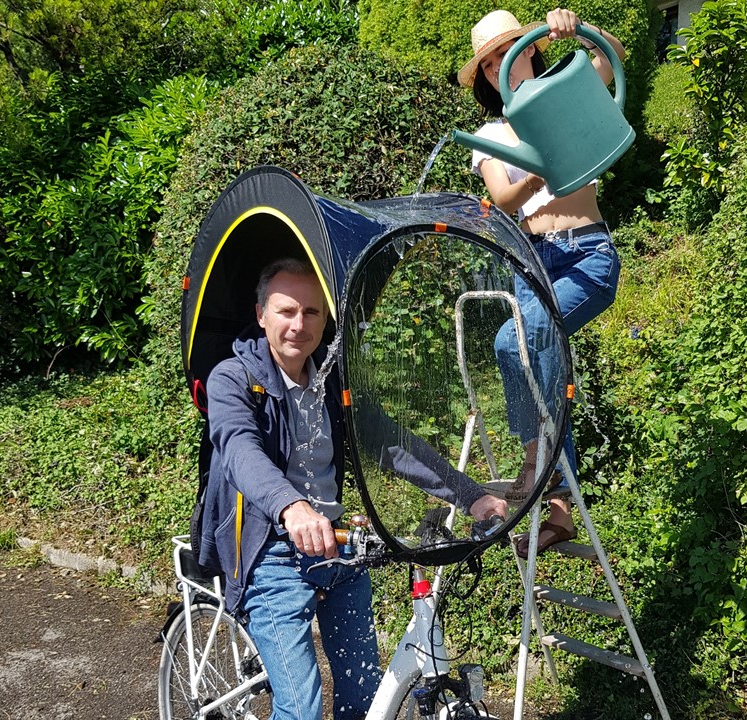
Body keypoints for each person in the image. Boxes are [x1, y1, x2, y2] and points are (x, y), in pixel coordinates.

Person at [200, 257, 507, 720]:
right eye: (286, 311)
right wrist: (292, 508)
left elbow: (388, 443)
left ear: (326, 319)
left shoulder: (330, 378)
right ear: (261, 314)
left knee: (363, 693)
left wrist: (471, 495)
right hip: (268, 551)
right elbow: (241, 451)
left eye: (312, 313)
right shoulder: (233, 378)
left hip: (338, 545)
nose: (298, 325)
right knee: (301, 708)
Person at [457, 8, 625, 558]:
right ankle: (558, 507)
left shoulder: (562, 90)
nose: (495, 66)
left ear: (528, 48)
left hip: (585, 255)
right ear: (483, 75)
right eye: (486, 63)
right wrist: (542, 162)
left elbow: (612, 60)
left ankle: (539, 464)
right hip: (532, 261)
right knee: (541, 367)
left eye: (505, 51)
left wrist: (576, 29)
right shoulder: (493, 133)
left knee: (513, 342)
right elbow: (503, 198)